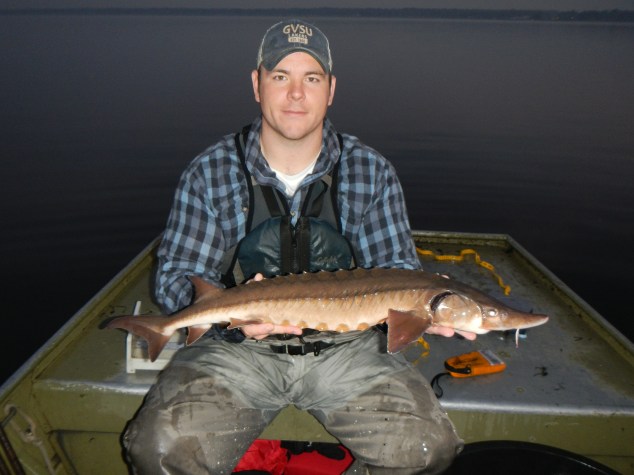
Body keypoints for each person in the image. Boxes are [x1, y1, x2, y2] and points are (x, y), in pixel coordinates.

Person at [123, 19, 473, 474]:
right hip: (236, 354)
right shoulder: (210, 172)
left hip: (346, 351)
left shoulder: (370, 171)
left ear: (330, 90)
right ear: (257, 84)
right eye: (280, 77)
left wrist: (422, 312)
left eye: (311, 78)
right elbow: (175, 278)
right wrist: (232, 320)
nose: (295, 94)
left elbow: (399, 269)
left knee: (428, 449)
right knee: (159, 450)